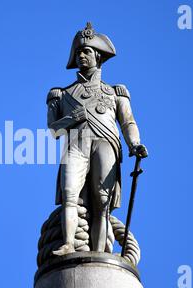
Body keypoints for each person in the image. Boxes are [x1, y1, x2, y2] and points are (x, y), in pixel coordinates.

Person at [46, 22, 148, 256]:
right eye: (79, 52)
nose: (82, 55)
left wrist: (134, 144)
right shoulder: (61, 94)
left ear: (98, 56)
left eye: (87, 51)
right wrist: (71, 118)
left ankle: (101, 251)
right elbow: (53, 130)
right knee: (70, 195)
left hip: (106, 143)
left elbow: (128, 122)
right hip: (76, 144)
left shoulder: (115, 92)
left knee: (102, 201)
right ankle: (69, 243)